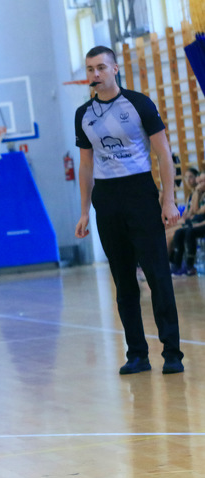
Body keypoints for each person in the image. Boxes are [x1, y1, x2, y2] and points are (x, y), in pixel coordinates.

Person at [74, 45, 184, 375]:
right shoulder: (83, 114)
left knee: (157, 276)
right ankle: (137, 354)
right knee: (123, 282)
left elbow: (163, 154)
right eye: (90, 69)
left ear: (115, 69)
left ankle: (172, 353)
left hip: (140, 194)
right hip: (107, 199)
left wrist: (168, 200)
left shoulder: (138, 104)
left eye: (101, 67)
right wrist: (84, 211)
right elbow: (85, 165)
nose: (95, 74)